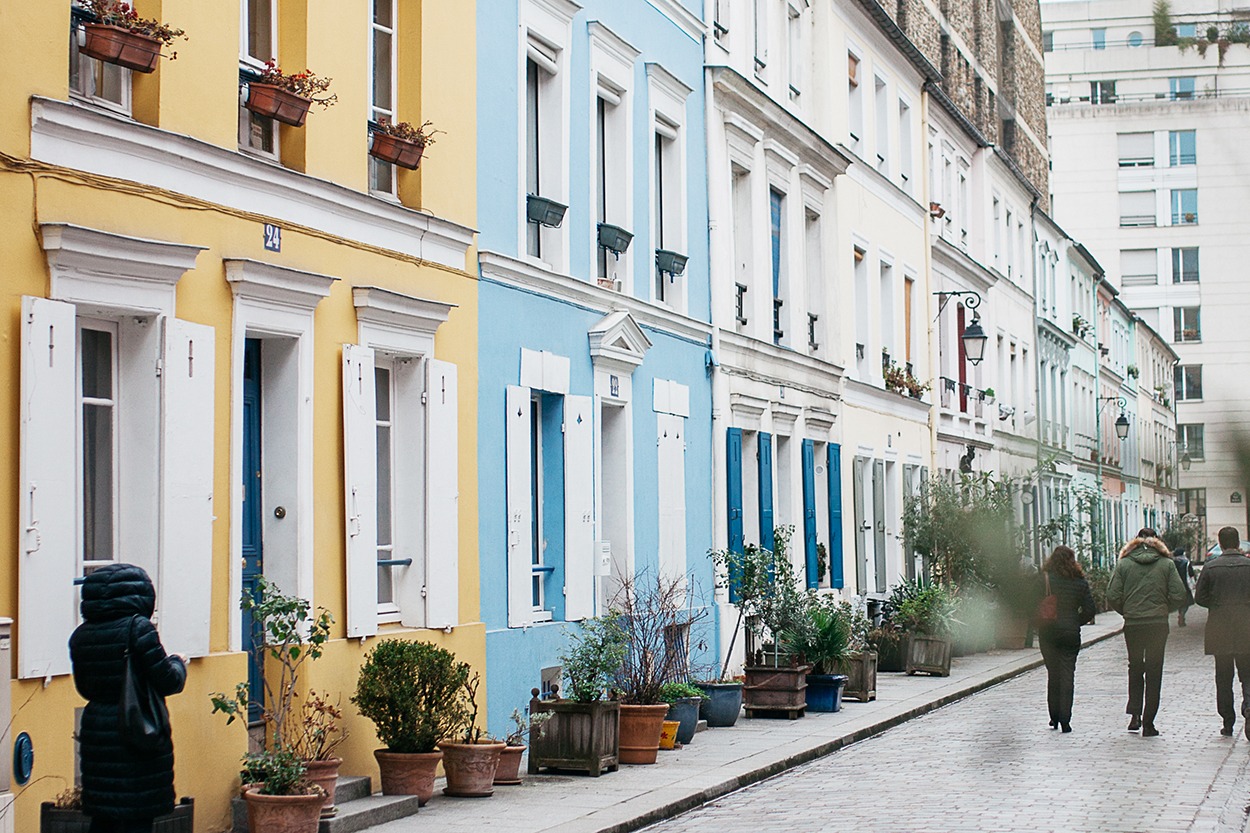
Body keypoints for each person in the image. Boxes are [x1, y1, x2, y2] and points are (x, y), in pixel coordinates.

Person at [69, 564, 188, 833]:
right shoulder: (138, 628)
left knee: (104, 818)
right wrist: (178, 662)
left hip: (98, 730)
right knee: (136, 820)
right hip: (135, 730)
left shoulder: (81, 635)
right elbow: (168, 680)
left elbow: (84, 688)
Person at [1107, 527, 1188, 737]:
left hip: (1133, 624)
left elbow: (1112, 594)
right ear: (1158, 541)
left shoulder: (1124, 564)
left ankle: (1135, 714)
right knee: (1154, 669)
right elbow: (1179, 594)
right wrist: (1163, 609)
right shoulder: (1167, 564)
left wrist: (1127, 611)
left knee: (1135, 666)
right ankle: (1149, 722)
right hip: (1157, 624)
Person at [1193, 526, 1250, 738]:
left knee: (1223, 677)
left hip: (1220, 627)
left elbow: (1199, 597)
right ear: (1237, 543)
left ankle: (1227, 720)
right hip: (1246, 626)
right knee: (1248, 674)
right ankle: (1249, 705)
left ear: (1221, 543)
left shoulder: (1211, 567)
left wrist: (1216, 606)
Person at [1037, 545, 1097, 733]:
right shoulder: (1079, 581)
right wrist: (1074, 622)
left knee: (1053, 674)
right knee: (1067, 673)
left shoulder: (1045, 580)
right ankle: (1065, 719)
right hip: (1070, 633)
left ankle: (1054, 717)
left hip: (1048, 632)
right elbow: (1089, 610)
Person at [1174, 547, 1195, 627]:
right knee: (1186, 602)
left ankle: (1180, 613)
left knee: (1179, 601)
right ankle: (1182, 614)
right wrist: (1193, 583)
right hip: (1185, 584)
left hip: (1175, 585)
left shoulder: (1172, 562)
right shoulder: (1186, 562)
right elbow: (1191, 573)